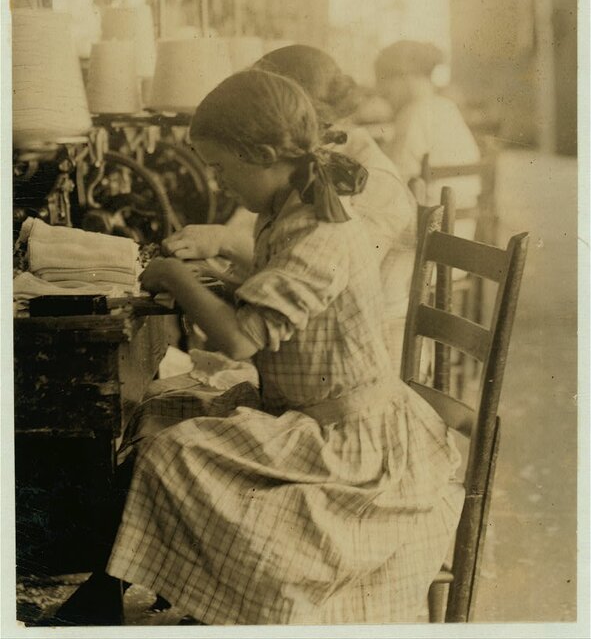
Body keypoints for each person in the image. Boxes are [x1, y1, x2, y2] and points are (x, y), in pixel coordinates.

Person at [56, 69, 463, 626]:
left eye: (222, 169)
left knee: (176, 454)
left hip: (351, 442)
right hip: (301, 412)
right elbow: (277, 301)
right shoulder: (285, 215)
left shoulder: (322, 231)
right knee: (159, 413)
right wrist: (214, 281)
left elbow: (241, 339)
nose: (219, 183)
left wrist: (178, 278)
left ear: (266, 154)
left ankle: (202, 598)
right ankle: (112, 588)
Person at [165, 44, 417, 371]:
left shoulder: (367, 180)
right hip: (308, 344)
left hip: (359, 353)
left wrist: (223, 241)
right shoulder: (308, 172)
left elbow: (308, 263)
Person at [374, 40, 482, 239]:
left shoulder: (413, 113)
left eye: (385, 86)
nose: (384, 96)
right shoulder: (447, 108)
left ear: (404, 77)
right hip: (459, 243)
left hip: (424, 253)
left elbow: (389, 187)